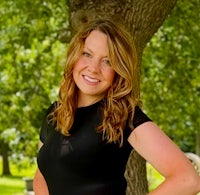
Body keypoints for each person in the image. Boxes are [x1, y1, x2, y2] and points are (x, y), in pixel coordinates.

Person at [33, 18, 200, 195]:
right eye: (87, 54)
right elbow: (41, 177)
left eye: (107, 61)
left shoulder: (124, 116)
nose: (93, 68)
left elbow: (187, 179)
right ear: (74, 56)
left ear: (119, 69)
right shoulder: (55, 113)